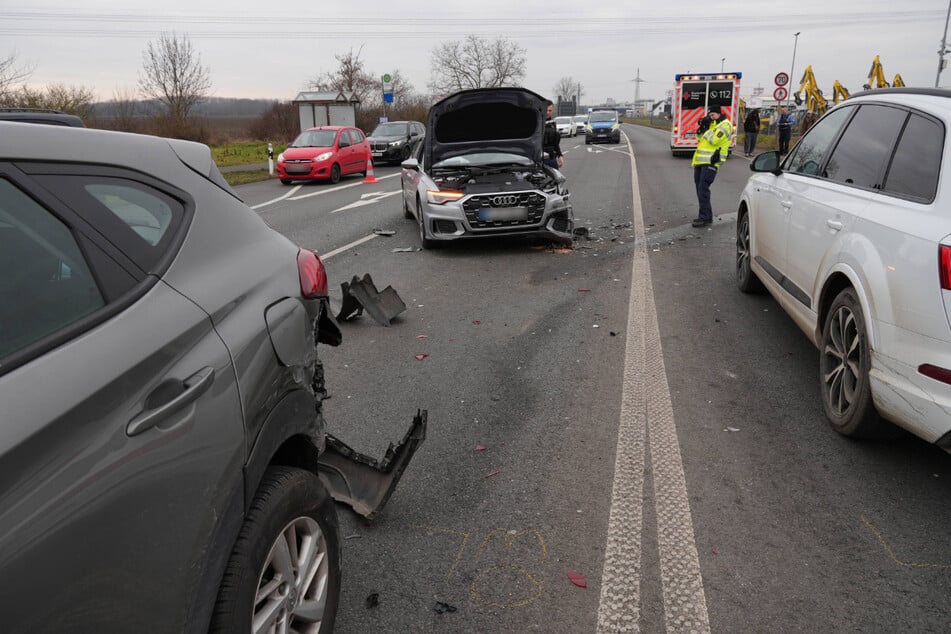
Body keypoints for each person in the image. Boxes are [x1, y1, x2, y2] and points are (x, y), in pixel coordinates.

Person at [690, 104, 733, 228]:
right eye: (709, 115)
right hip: (701, 161)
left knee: (703, 188)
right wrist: (702, 127)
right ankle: (706, 216)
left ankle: (704, 218)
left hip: (712, 161)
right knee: (699, 189)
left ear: (719, 114)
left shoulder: (725, 125)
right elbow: (700, 139)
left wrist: (707, 127)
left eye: (712, 115)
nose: (711, 117)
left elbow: (714, 140)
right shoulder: (713, 125)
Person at [542, 101, 564, 170]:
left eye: (550, 110)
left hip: (551, 159)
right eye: (546, 110)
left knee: (556, 180)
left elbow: (555, 144)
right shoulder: (536, 123)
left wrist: (560, 155)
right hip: (540, 160)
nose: (547, 112)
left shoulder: (552, 124)